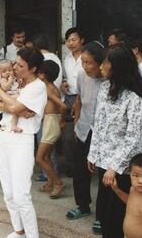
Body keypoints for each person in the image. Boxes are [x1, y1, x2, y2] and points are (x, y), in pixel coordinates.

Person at [87, 44, 142, 238]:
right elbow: (98, 123)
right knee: (103, 215)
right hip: (103, 161)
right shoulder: (105, 88)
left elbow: (133, 138)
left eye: (105, 62)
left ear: (117, 66)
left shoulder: (134, 98)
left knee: (115, 217)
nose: (101, 66)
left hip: (122, 167)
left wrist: (114, 167)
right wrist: (93, 153)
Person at [0, 48, 47, 238]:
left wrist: (0, 91)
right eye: (16, 63)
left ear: (33, 68)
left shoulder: (38, 87)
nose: (15, 67)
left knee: (21, 195)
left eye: (21, 65)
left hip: (22, 140)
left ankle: (32, 235)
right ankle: (19, 231)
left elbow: (12, 105)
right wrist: (14, 107)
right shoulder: (14, 82)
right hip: (3, 136)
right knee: (8, 193)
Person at [64, 42, 106, 235]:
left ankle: (103, 215)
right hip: (84, 129)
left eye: (89, 63)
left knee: (104, 173)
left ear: (100, 63)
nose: (84, 66)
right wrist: (76, 121)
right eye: (83, 62)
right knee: (80, 169)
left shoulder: (109, 80)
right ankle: (82, 205)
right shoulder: (82, 75)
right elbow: (79, 99)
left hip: (103, 132)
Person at [36, 60, 66, 199]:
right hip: (50, 122)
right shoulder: (51, 86)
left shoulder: (48, 88)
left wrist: (62, 120)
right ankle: (49, 183)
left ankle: (58, 183)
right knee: (46, 156)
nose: (38, 75)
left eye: (40, 73)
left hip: (51, 123)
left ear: (44, 75)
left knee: (40, 158)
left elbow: (63, 106)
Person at [61, 27, 85, 177]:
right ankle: (72, 165)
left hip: (84, 100)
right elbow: (65, 77)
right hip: (69, 99)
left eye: (74, 39)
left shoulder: (87, 57)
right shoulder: (67, 59)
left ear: (82, 40)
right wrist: (63, 83)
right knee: (68, 137)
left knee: (83, 134)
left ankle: (83, 166)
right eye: (68, 40)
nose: (70, 43)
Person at [0, 59, 21, 133]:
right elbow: (5, 88)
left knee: (15, 111)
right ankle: (13, 125)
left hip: (12, 95)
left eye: (10, 70)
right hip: (6, 96)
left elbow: (18, 86)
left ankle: (13, 125)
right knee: (15, 109)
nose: (8, 72)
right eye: (4, 71)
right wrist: (10, 80)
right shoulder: (2, 80)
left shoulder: (14, 78)